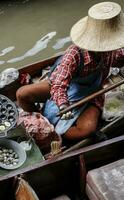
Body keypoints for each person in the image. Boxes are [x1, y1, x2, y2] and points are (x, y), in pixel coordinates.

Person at [16, 2, 124, 141]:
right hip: (63, 88)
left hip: (91, 92)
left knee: (86, 130)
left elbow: (120, 58)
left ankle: (56, 136)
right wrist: (63, 104)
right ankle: (40, 120)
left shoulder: (112, 50)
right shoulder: (74, 54)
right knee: (22, 94)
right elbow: (59, 84)